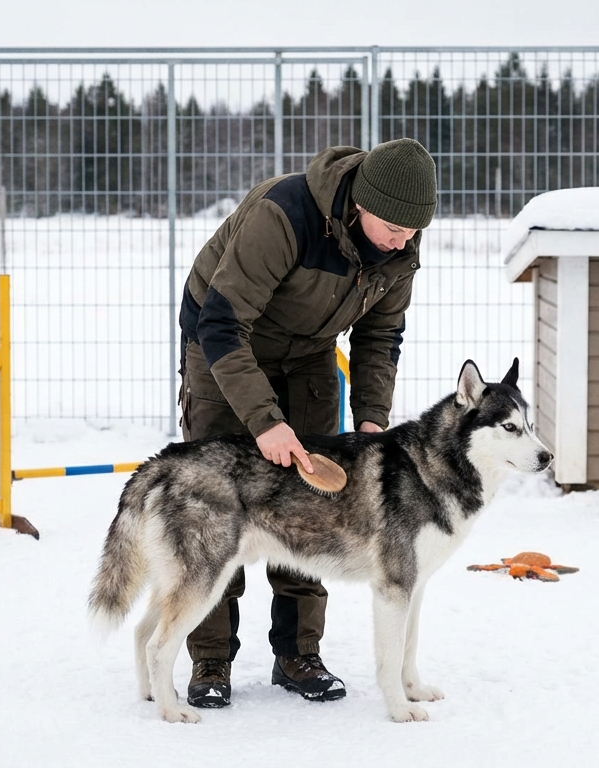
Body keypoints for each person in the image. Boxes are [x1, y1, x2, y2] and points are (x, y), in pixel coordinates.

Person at [176, 137, 437, 708]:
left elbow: (379, 337)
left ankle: (298, 653)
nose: (403, 239)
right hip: (222, 340)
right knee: (223, 501)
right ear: (361, 203)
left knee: (316, 500)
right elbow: (222, 323)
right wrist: (265, 423)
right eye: (393, 226)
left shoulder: (398, 250)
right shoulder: (285, 213)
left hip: (309, 351)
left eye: (413, 230)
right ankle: (211, 660)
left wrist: (372, 423)